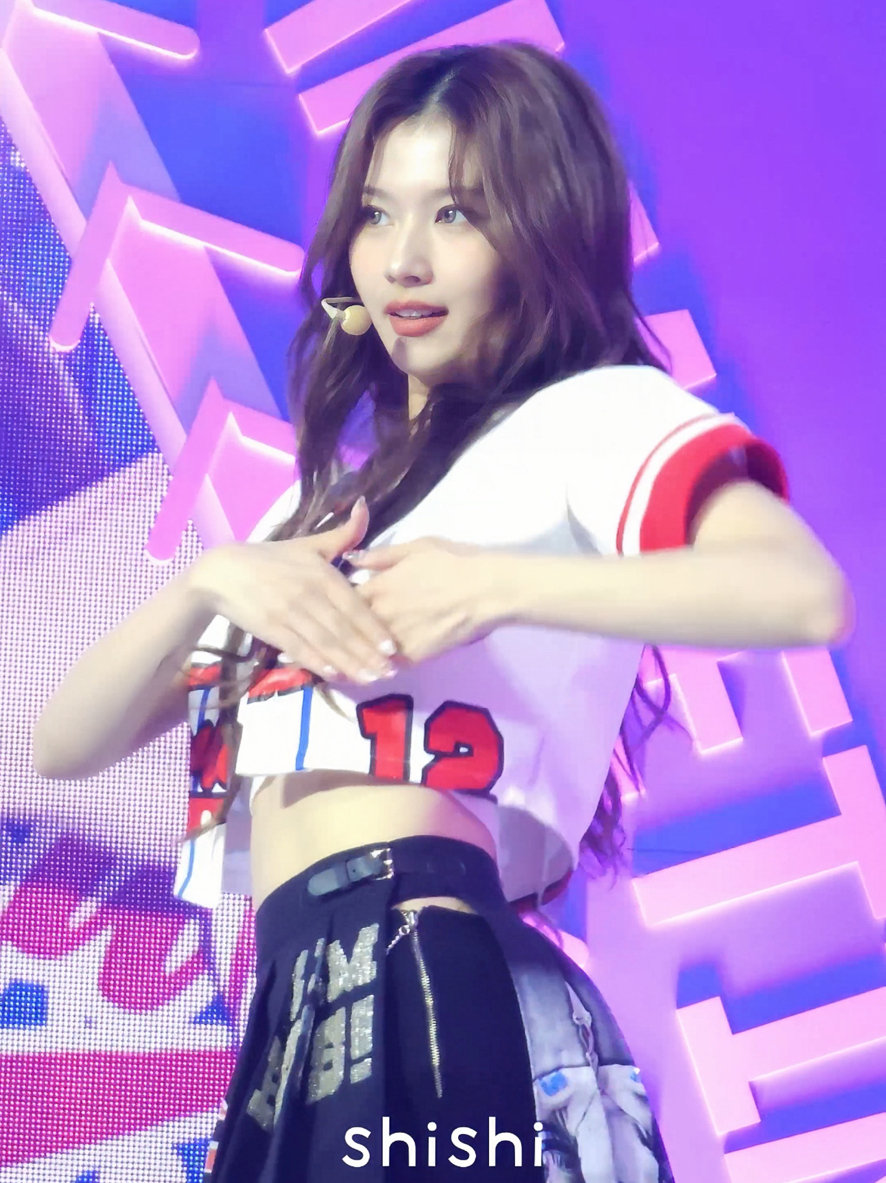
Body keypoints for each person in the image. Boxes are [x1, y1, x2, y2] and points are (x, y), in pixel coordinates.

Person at [33, 40, 853, 1183]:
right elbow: (63, 744)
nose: (403, 260)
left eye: (456, 213)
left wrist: (495, 582)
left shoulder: (592, 417)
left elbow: (801, 591)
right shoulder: (312, 517)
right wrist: (207, 584)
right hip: (293, 995)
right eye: (377, 213)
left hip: (427, 962)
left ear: (541, 231)